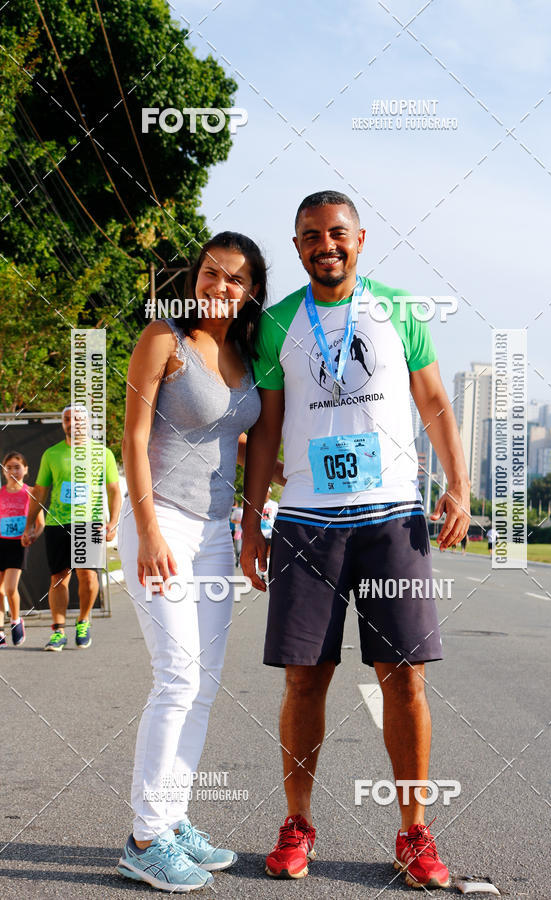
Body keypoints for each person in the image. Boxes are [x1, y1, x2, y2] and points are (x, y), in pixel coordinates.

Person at [241, 191, 471, 890]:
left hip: (391, 520)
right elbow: (268, 430)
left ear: (361, 238)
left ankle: (413, 833)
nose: (325, 244)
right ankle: (298, 824)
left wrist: (458, 485)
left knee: (404, 680)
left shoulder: (400, 311)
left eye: (337, 232)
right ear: (298, 244)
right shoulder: (278, 324)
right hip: (308, 524)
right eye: (310, 235)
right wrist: (254, 518)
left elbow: (432, 401)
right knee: (305, 681)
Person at [117, 232, 283, 892]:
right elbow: (130, 435)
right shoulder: (165, 337)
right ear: (196, 276)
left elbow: (256, 450)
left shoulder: (247, 355)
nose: (221, 287)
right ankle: (144, 838)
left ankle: (172, 816)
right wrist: (149, 526)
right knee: (177, 679)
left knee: (204, 686)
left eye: (236, 279)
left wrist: (248, 533)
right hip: (161, 524)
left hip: (216, 533)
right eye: (212, 273)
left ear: (251, 293)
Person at [22, 406, 121, 651]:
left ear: (86, 423)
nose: (72, 423)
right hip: (58, 523)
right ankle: (58, 631)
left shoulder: (102, 453)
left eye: (77, 419)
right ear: (63, 423)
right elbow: (39, 492)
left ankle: (83, 621)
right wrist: (29, 525)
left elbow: (114, 490)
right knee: (58, 578)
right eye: (67, 419)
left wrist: (113, 521)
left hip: (90, 522)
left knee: (87, 575)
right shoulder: (52, 454)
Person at [0, 452, 44, 647]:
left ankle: (16, 621)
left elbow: (40, 523)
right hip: (0, 543)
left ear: (25, 470)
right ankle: (0, 631)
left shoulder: (31, 492)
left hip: (18, 545)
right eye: (8, 467)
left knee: (10, 588)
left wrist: (33, 534)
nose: (13, 471)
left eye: (17, 467)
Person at [260, 486, 278, 562]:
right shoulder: (257, 503)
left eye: (267, 492)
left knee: (268, 553)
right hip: (259, 533)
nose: (265, 494)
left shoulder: (274, 505)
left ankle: (265, 573)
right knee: (260, 553)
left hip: (270, 533)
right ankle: (257, 571)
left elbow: (277, 518)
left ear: (269, 494)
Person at [230, 502, 243, 566]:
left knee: (244, 548)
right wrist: (239, 522)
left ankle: (241, 561)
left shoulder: (251, 510)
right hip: (238, 531)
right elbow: (232, 520)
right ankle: (238, 559)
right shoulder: (237, 510)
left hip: (247, 532)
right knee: (238, 548)